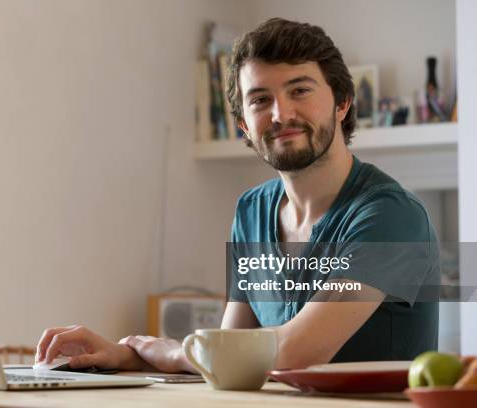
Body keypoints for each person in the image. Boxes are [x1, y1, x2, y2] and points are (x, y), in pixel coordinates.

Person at [35, 18, 439, 372]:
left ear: (342, 103)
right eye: (260, 100)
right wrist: (131, 356)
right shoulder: (251, 211)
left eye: (300, 90)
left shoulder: (389, 215)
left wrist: (175, 352)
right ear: (245, 126)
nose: (280, 114)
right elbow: (228, 356)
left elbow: (296, 351)